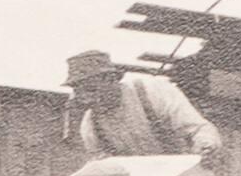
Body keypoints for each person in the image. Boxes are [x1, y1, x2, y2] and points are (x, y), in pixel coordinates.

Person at [64, 50, 222, 160]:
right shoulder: (91, 124)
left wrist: (205, 145)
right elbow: (99, 162)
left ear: (111, 80)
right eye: (80, 93)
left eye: (91, 90)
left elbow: (199, 129)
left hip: (180, 175)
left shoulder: (152, 92)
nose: (86, 99)